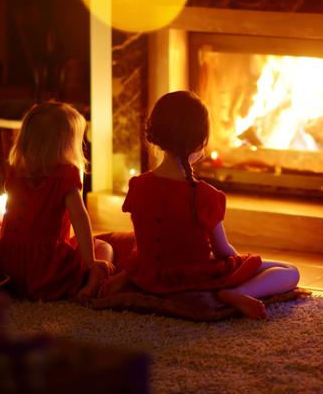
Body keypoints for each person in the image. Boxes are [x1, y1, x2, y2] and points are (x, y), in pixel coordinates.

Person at [99, 91, 299, 319]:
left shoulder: (138, 186)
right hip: (199, 280)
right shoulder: (205, 195)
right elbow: (223, 251)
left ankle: (234, 291)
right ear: (200, 141)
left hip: (151, 277)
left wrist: (127, 275)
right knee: (290, 271)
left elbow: (146, 244)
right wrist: (242, 266)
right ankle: (237, 293)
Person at [0, 101, 113, 301]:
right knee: (104, 246)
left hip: (11, 267)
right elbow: (80, 218)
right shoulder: (65, 175)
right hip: (48, 269)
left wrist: (5, 253)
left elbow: (8, 216)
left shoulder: (15, 172)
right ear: (65, 144)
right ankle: (93, 284)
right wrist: (90, 260)